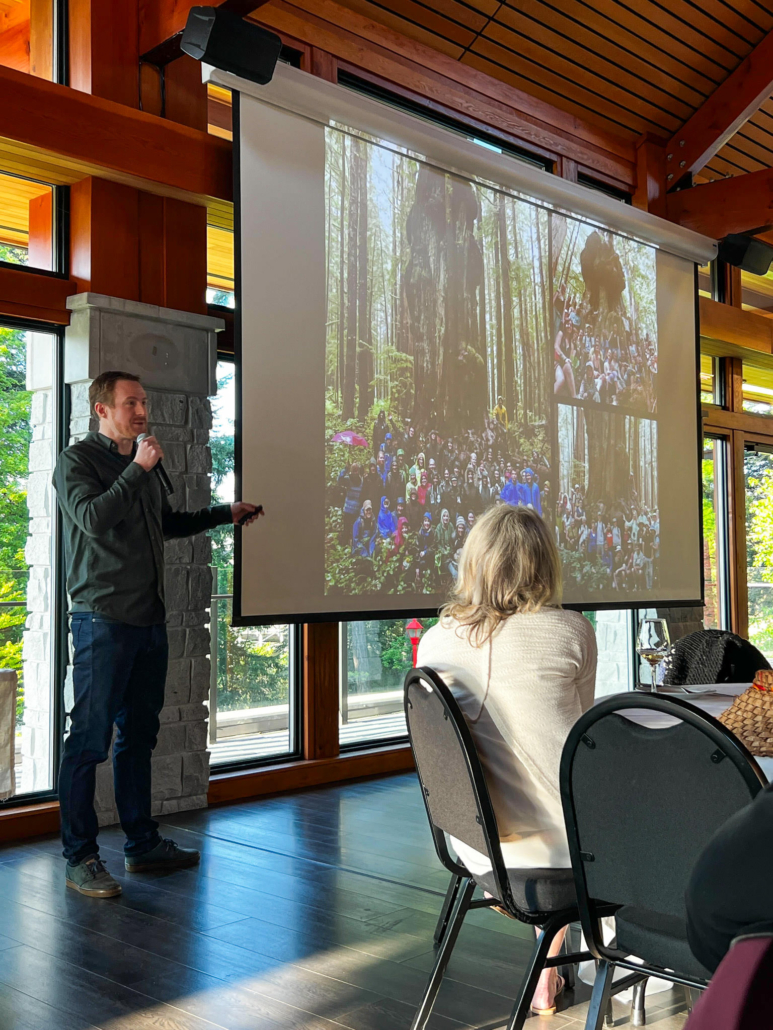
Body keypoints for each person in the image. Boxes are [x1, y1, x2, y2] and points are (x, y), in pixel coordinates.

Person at [52, 371, 263, 899]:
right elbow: (93, 520)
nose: (142, 410)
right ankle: (79, 856)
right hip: (102, 618)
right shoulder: (78, 461)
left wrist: (223, 513)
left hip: (149, 620)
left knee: (139, 736)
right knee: (89, 739)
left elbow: (163, 524)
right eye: (131, 402)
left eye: (143, 401)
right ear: (102, 409)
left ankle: (141, 845)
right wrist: (137, 470)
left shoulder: (142, 465)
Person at [417, 506, 597, 1014]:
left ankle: (550, 947)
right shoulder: (570, 632)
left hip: (476, 845)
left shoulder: (434, 641)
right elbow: (579, 750)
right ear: (544, 564)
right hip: (562, 854)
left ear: (475, 561)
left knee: (521, 786)